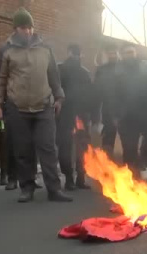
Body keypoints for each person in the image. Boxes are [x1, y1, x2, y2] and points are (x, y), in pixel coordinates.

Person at [0, 7, 72, 203]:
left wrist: (59, 97)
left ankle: (54, 189)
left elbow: (54, 75)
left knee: (48, 148)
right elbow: (0, 80)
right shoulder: (6, 50)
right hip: (17, 107)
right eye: (22, 28)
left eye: (29, 27)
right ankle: (27, 188)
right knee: (23, 150)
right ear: (15, 29)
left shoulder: (45, 48)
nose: (27, 31)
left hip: (44, 105)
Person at [109, 43, 147, 186]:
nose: (130, 55)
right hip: (127, 118)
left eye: (132, 52)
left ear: (136, 53)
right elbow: (113, 95)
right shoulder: (117, 72)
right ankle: (134, 181)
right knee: (129, 150)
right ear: (122, 55)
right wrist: (116, 115)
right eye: (127, 53)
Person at [57, 44, 93, 191]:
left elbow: (91, 95)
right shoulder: (64, 70)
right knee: (71, 147)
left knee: (78, 147)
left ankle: (76, 179)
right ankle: (73, 179)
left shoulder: (81, 72)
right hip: (70, 115)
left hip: (75, 115)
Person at [93, 44, 120, 158]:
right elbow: (97, 93)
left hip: (125, 111)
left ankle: (132, 169)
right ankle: (107, 170)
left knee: (129, 143)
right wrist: (96, 114)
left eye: (114, 52)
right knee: (108, 141)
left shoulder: (124, 68)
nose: (112, 55)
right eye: (110, 53)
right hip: (108, 111)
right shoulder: (101, 70)